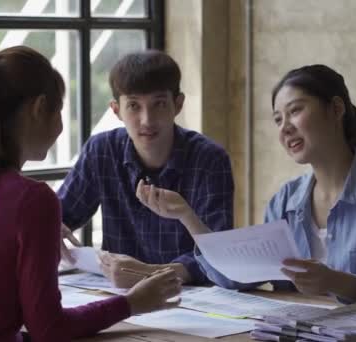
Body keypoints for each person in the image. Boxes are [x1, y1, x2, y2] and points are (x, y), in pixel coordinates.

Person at [0, 46, 181, 342]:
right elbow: (49, 330)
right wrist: (132, 303)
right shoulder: (33, 200)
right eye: (59, 110)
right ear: (39, 109)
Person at [137, 64, 356, 311]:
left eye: (295, 112)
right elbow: (235, 277)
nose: (284, 127)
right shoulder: (286, 200)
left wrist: (333, 281)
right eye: (278, 119)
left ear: (335, 108)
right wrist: (187, 216)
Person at [57, 50, 234, 287]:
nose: (147, 120)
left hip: (191, 299)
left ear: (178, 104)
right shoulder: (101, 150)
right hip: (119, 295)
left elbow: (221, 257)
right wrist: (48, 227)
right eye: (133, 106)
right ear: (116, 110)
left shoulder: (209, 159)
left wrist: (150, 273)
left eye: (159, 104)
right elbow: (61, 215)